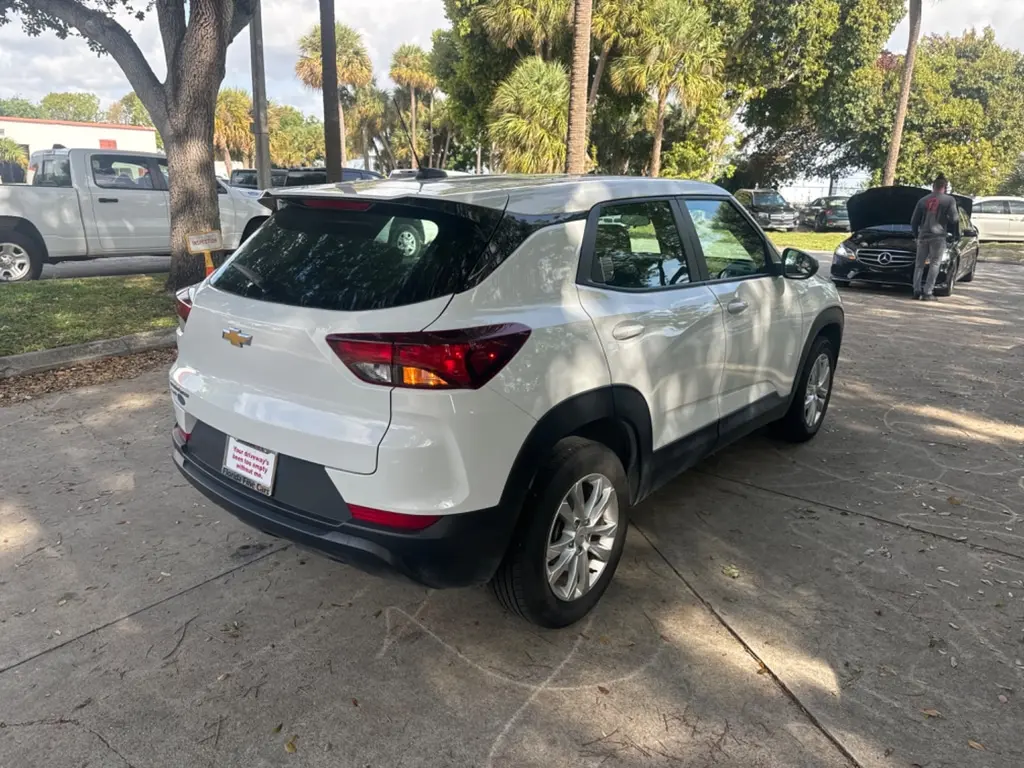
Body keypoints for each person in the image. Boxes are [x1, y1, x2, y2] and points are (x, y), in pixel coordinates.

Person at [910, 174, 960, 301]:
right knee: (935, 264)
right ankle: (927, 292)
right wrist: (947, 218)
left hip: (923, 236)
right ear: (945, 187)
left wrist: (916, 235)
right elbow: (955, 219)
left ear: (933, 186)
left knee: (919, 265)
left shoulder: (922, 200)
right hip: (938, 236)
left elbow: (913, 221)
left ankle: (916, 291)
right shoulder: (949, 200)